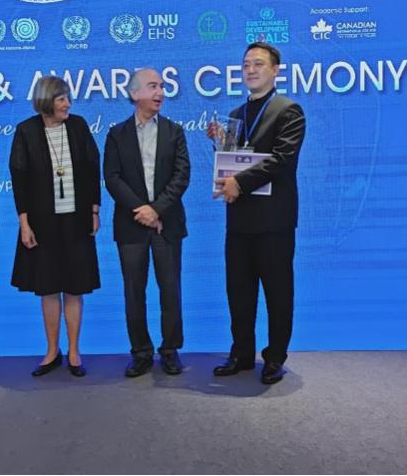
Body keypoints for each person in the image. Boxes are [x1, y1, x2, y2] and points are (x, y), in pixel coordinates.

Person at [208, 41, 305, 385]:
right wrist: (220, 143)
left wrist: (239, 182)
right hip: (239, 220)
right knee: (239, 292)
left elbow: (282, 160)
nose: (250, 70)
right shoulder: (236, 114)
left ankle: (275, 356)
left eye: (258, 64)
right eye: (246, 64)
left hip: (274, 221)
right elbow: (235, 159)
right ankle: (241, 353)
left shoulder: (288, 111)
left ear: (276, 70)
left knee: (278, 293)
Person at [9, 76, 101, 378]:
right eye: (62, 99)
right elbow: (20, 180)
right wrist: (24, 223)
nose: (67, 104)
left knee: (75, 288)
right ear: (47, 100)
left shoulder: (78, 126)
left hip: (76, 221)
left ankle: (74, 352)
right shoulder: (26, 131)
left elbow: (92, 168)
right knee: (48, 289)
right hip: (42, 224)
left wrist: (94, 210)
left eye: (67, 98)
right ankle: (52, 351)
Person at [104, 67, 190, 377]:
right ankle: (140, 352)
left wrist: (156, 210)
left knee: (170, 289)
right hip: (131, 225)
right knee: (133, 291)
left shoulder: (174, 131)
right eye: (153, 86)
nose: (160, 92)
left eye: (162, 86)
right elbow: (112, 178)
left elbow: (182, 175)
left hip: (167, 223)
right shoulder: (117, 134)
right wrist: (141, 210)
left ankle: (170, 349)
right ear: (135, 93)